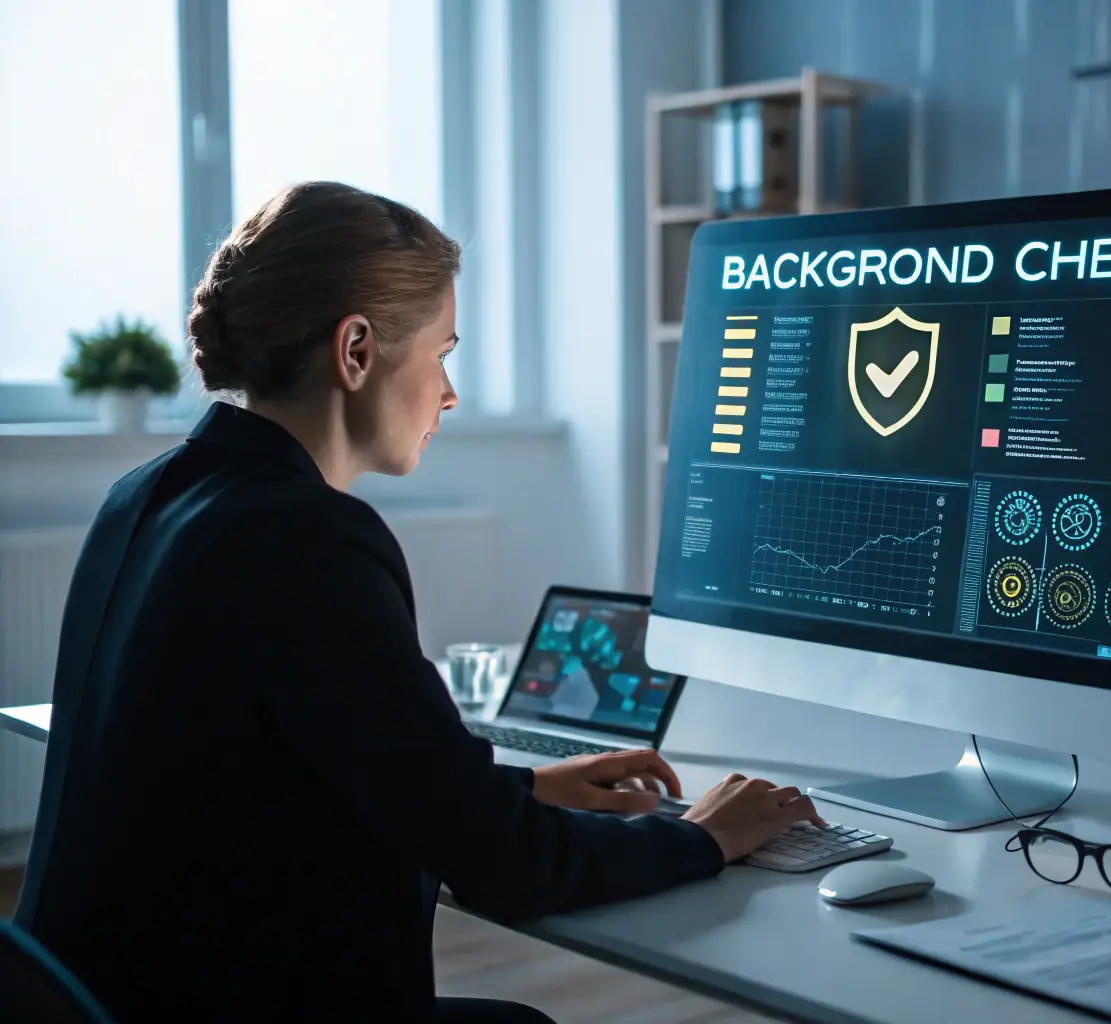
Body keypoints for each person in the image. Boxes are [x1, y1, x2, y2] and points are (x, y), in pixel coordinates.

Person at [16, 182, 823, 1023]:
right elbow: (506, 868)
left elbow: (311, 763)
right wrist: (703, 837)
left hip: (86, 1001)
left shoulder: (144, 496)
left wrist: (527, 786)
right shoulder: (307, 538)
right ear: (356, 350)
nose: (449, 391)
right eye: (442, 353)